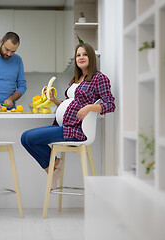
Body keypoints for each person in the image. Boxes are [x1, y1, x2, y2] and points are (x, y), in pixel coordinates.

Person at [21, 43, 116, 189]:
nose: (81, 57)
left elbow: (110, 104)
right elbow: (69, 105)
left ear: (91, 57)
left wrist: (89, 107)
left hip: (77, 130)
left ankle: (56, 166)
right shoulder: (75, 80)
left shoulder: (99, 78)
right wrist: (54, 100)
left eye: (84, 54)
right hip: (64, 126)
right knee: (25, 138)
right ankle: (53, 168)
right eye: (78, 55)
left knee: (30, 138)